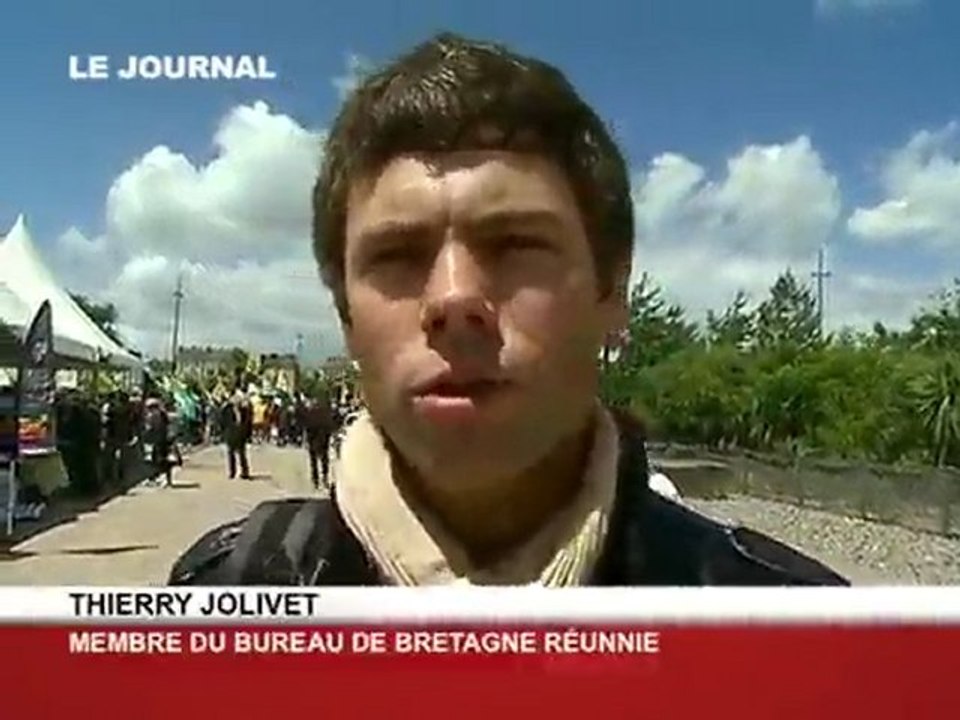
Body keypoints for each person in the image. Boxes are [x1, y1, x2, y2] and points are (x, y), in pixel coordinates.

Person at [170, 33, 848, 586]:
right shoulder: (223, 599)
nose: (454, 298)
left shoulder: (796, 634)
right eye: (399, 257)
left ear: (612, 293)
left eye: (516, 244)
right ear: (344, 313)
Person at [303, 393, 337, 490]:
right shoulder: (326, 414)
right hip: (323, 441)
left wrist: (307, 440)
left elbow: (308, 428)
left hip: (313, 440)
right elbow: (330, 427)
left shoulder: (311, 414)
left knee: (313, 460)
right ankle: (324, 478)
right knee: (324, 459)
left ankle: (315, 480)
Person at [220, 391, 252, 480]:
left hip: (241, 434)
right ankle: (232, 472)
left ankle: (245, 472)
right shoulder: (226, 410)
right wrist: (224, 433)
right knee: (231, 454)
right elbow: (222, 422)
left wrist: (247, 434)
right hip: (230, 434)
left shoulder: (244, 410)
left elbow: (248, 422)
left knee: (242, 454)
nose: (237, 402)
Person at [142, 397, 173, 487]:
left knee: (157, 460)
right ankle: (165, 479)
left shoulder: (154, 416)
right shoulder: (163, 414)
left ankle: (160, 478)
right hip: (163, 440)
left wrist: (145, 433)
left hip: (156, 441)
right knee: (163, 460)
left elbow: (150, 429)